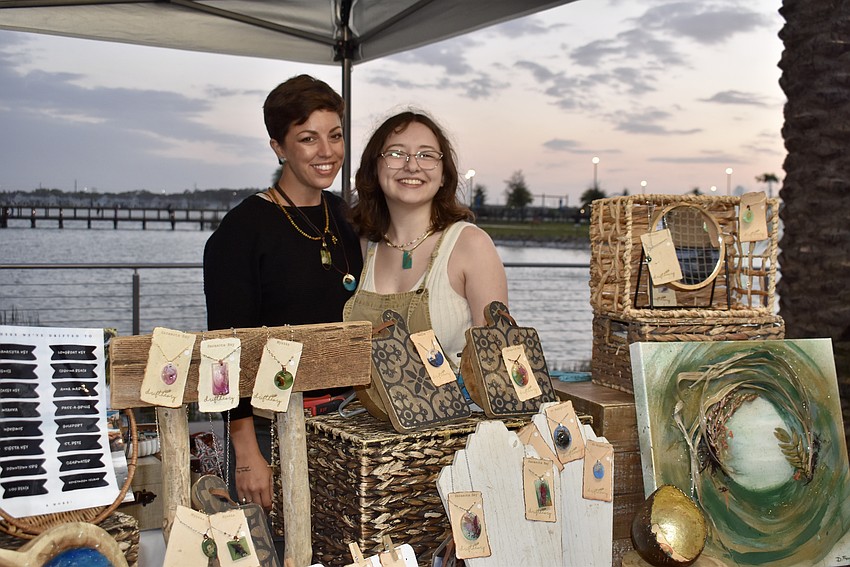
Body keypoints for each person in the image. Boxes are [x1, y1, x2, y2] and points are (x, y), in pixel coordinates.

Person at [203, 74, 362, 511]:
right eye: (308, 138)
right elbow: (224, 351)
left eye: (335, 135)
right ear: (278, 146)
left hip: (347, 419)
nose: (327, 152)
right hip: (269, 426)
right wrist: (247, 453)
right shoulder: (242, 230)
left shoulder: (342, 216)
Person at [344, 110, 507, 376]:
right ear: (374, 168)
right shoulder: (361, 246)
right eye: (396, 153)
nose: (412, 165)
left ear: (444, 175)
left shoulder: (470, 245)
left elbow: (496, 363)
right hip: (360, 415)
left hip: (457, 415)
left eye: (427, 155)